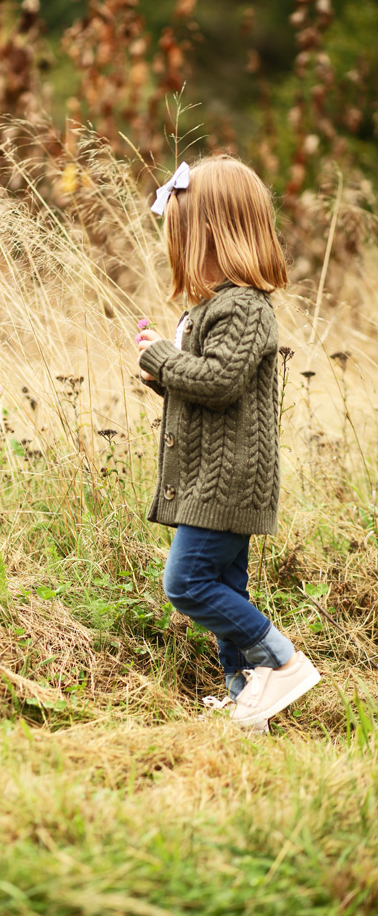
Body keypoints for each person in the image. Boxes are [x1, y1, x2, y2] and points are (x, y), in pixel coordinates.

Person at [136, 154, 320, 729]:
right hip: (215, 475)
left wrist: (163, 360)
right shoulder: (215, 307)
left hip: (227, 480)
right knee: (224, 587)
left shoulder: (242, 305)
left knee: (187, 583)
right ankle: (249, 699)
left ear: (209, 234)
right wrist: (163, 376)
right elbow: (215, 396)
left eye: (181, 233)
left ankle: (284, 663)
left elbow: (217, 382)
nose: (176, 247)